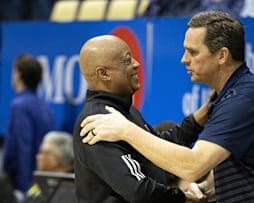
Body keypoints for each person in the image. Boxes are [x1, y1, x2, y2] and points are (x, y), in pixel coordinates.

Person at [80, 11, 254, 202]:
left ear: (222, 56)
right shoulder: (226, 97)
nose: (184, 59)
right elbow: (238, 163)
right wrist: (205, 188)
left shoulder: (244, 99)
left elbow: (192, 166)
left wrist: (126, 130)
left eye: (193, 52)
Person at [73, 35, 209, 203]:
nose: (136, 64)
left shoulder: (124, 111)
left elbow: (158, 150)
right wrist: (183, 198)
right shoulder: (97, 122)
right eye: (127, 60)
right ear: (104, 74)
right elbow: (139, 191)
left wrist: (199, 118)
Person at [2, 54, 55, 197]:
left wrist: (24, 189)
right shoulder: (45, 107)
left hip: (23, 185)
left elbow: (23, 146)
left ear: (19, 74)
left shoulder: (19, 105)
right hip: (39, 182)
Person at [25, 131, 74, 203]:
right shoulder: (42, 179)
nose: (37, 157)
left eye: (41, 152)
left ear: (55, 159)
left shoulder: (71, 188)